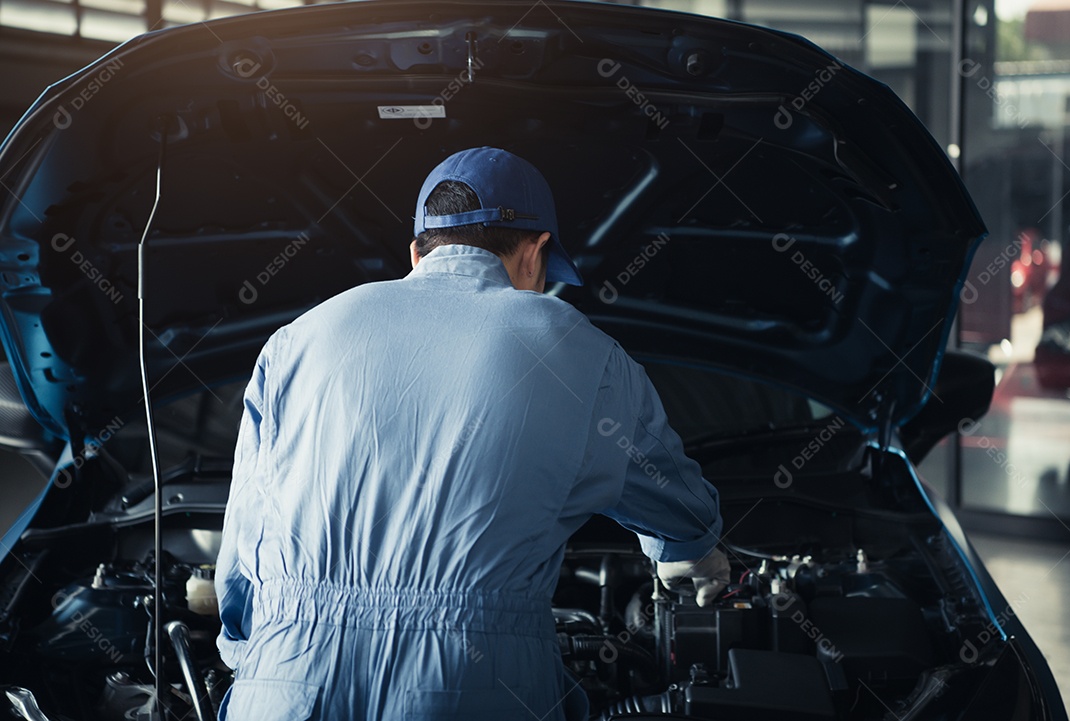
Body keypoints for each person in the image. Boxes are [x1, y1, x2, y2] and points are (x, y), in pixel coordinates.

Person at [214, 146, 730, 720]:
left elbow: (246, 534)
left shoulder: (298, 339)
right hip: (464, 683)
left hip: (285, 682)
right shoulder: (583, 351)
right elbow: (673, 500)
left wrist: (258, 653)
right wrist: (690, 551)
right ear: (535, 252)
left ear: (416, 252)